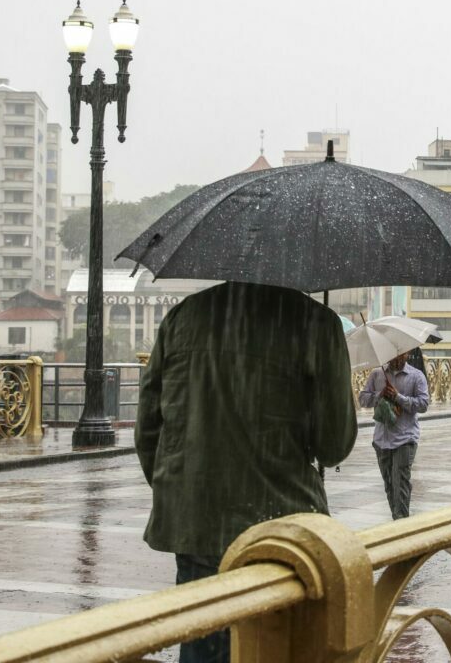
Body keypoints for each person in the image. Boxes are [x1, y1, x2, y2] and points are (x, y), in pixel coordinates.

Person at [136, 281, 356, 663]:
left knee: (205, 644)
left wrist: (183, 487)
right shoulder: (316, 322)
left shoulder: (185, 315)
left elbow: (148, 427)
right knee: (278, 647)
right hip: (281, 527)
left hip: (197, 521)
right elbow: (334, 444)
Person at [359, 349, 430, 521]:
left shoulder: (416, 376)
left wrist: (398, 397)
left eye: (401, 354)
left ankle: (401, 524)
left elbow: (423, 404)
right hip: (381, 440)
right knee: (389, 485)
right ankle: (396, 520)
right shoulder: (377, 374)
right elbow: (362, 399)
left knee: (401, 484)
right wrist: (380, 394)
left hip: (405, 439)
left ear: (407, 355)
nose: (397, 358)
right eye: (393, 355)